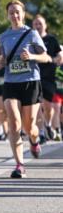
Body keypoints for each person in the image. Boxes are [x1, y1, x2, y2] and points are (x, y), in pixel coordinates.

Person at [0, 0, 49, 179]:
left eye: (17, 12)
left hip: (30, 82)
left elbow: (46, 57)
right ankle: (19, 165)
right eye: (11, 12)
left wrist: (32, 55)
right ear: (7, 15)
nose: (15, 15)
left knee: (29, 127)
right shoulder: (3, 36)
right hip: (11, 83)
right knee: (14, 123)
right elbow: (0, 61)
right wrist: (0, 63)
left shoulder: (32, 34)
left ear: (23, 14)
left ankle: (34, 140)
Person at [32, 13, 62, 142]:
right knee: (37, 106)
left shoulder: (51, 39)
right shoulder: (30, 39)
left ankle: (48, 125)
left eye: (40, 23)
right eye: (35, 24)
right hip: (34, 76)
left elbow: (60, 56)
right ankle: (42, 133)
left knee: (48, 107)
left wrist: (53, 59)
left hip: (48, 78)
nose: (38, 26)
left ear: (45, 25)